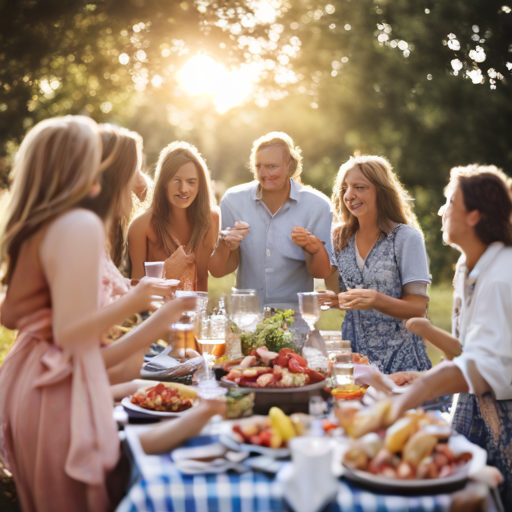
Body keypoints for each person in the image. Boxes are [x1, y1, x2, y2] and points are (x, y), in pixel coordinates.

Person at [0, 116, 197, 512]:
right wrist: (145, 307)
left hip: (37, 383)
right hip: (54, 393)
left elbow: (12, 314)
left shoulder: (49, 222)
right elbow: (71, 336)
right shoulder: (79, 224)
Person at [382, 164, 512, 508]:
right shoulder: (467, 268)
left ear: (474, 215)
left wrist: (411, 397)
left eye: (450, 202)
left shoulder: (501, 276)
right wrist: (425, 376)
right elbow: (470, 352)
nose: (441, 210)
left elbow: (487, 369)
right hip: (474, 410)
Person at [320, 155, 432, 373]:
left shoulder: (406, 238)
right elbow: (341, 293)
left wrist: (376, 300)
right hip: (357, 365)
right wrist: (332, 300)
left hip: (403, 365)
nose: (349, 195)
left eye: (359, 187)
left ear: (381, 191)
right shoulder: (340, 238)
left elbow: (418, 307)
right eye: (345, 188)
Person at [209, 132, 333, 310]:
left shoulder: (317, 205)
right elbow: (218, 271)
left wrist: (313, 247)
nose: (264, 174)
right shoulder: (233, 200)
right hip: (247, 314)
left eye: (272, 166)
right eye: (258, 166)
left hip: (294, 316)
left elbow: (321, 272)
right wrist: (225, 243)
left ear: (288, 164)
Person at [128, 141, 219, 291]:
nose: (183, 189)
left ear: (199, 185)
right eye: (176, 180)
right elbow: (136, 286)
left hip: (195, 311)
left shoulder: (211, 218)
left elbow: (203, 278)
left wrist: (198, 313)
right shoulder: (140, 226)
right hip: (155, 312)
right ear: (164, 182)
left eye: (191, 182)